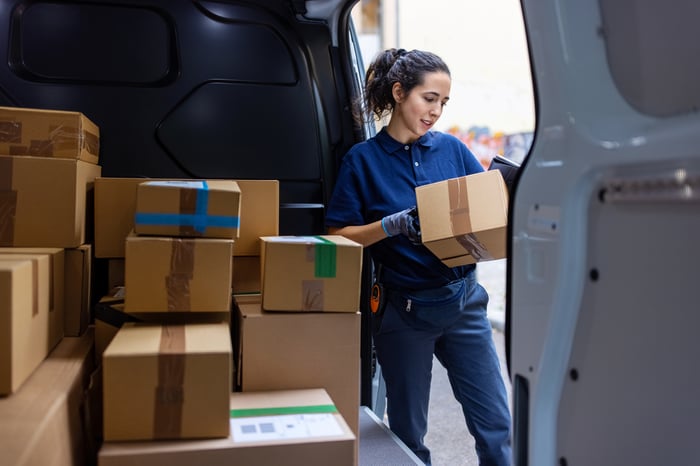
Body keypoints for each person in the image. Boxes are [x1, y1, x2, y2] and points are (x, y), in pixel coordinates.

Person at [325, 48, 512, 466]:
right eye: (429, 99)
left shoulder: (453, 150)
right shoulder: (362, 161)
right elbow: (338, 236)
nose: (436, 111)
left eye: (443, 103)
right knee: (409, 436)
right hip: (406, 313)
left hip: (464, 303)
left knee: (496, 426)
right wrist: (390, 226)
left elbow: (486, 210)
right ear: (398, 92)